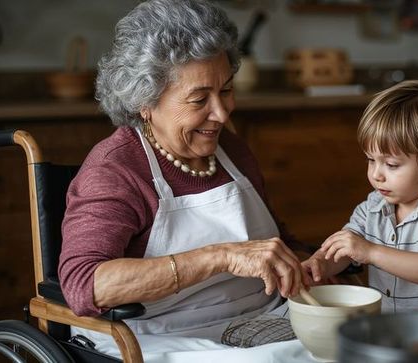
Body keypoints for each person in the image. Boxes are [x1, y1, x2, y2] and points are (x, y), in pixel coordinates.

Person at [58, 0, 308, 358]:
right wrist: (220, 256)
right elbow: (85, 284)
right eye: (199, 99)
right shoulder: (115, 169)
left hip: (260, 320)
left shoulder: (232, 152)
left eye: (225, 90)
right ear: (145, 102)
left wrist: (305, 263)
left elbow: (277, 240)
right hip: (159, 336)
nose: (221, 114)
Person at [303, 79, 418, 313]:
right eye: (371, 159)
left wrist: (370, 251)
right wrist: (318, 265)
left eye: (391, 164)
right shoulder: (371, 207)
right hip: (397, 326)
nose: (376, 174)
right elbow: (344, 251)